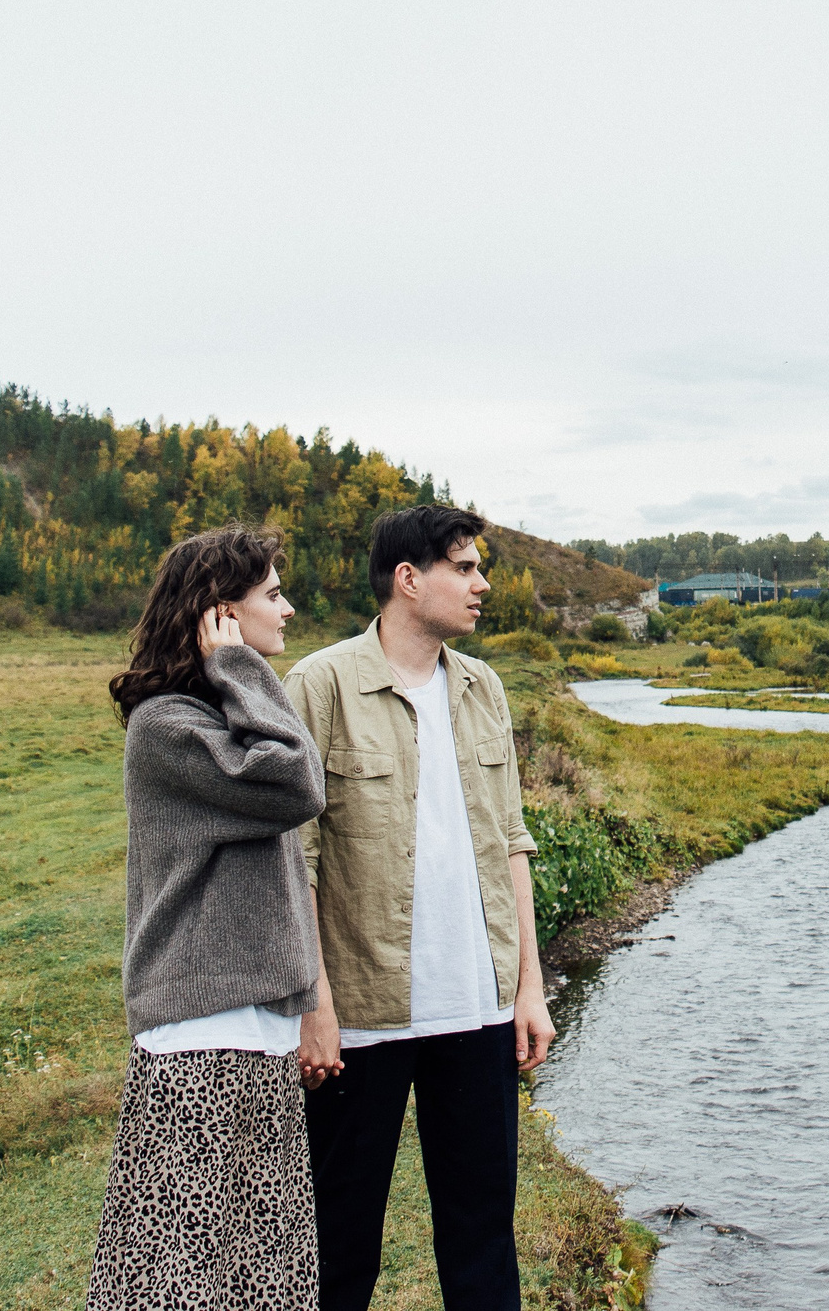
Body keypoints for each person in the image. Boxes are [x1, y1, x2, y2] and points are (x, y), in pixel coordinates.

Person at [284, 504, 556, 1311]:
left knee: (481, 1242)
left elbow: (511, 841)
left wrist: (528, 989)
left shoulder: (484, 688)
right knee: (340, 1247)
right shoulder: (320, 684)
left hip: (475, 1009)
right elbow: (294, 861)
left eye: (479, 567)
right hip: (363, 1016)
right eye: (465, 568)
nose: (483, 583)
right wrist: (315, 1007)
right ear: (409, 580)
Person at [87, 523, 336, 1311]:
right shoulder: (168, 728)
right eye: (271, 594)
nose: (288, 608)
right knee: (181, 1274)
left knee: (264, 1267)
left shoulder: (219, 718)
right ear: (218, 614)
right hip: (201, 1034)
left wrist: (235, 674)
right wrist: (239, 665)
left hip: (249, 1028)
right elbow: (299, 784)